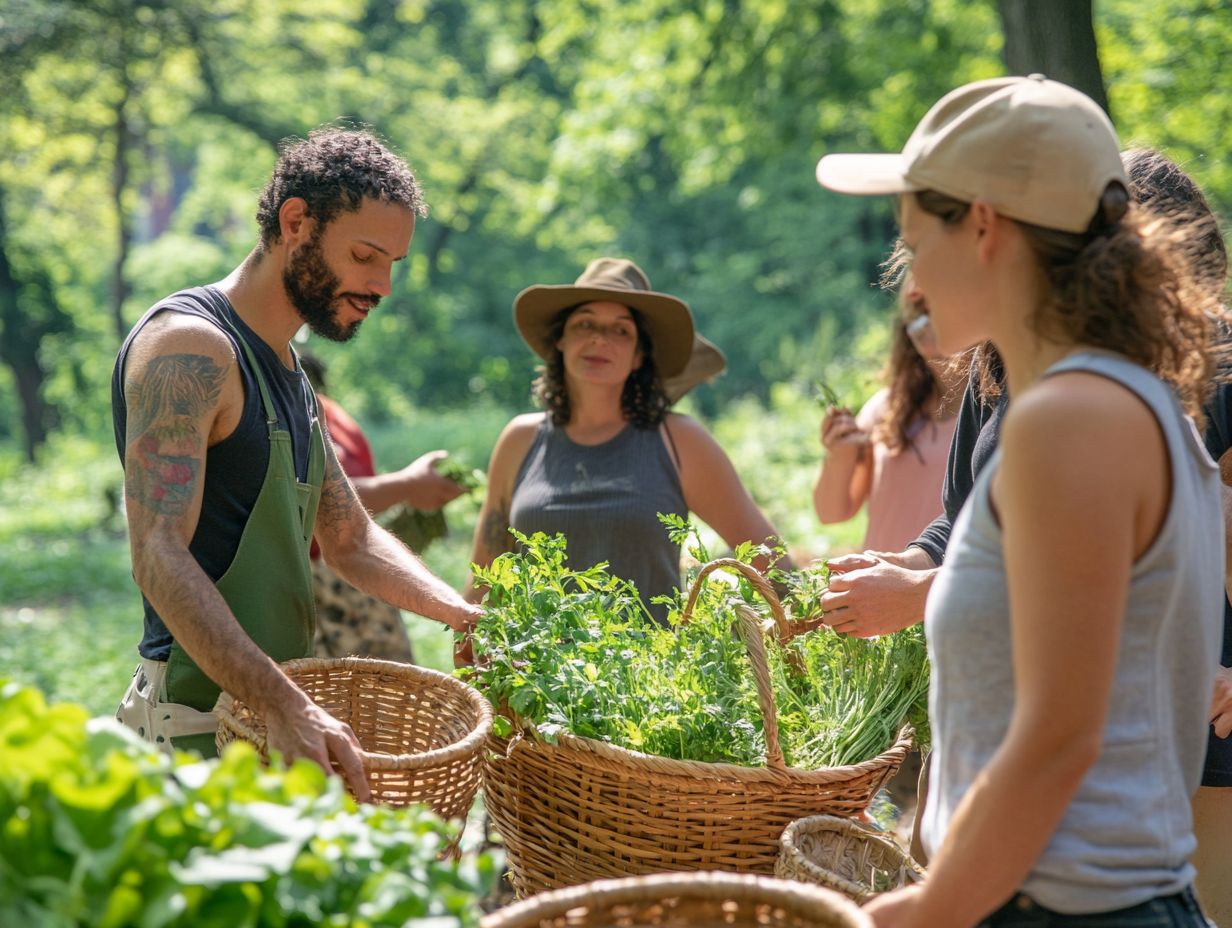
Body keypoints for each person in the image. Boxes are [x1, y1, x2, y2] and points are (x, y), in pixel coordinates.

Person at [817, 76, 1223, 926]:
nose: (913, 282)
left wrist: (930, 910)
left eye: (915, 240)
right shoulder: (1112, 401)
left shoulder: (1071, 420)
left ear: (984, 225)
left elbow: (1056, 741)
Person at [111, 128, 481, 797]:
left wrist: (461, 615)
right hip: (193, 733)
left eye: (393, 263)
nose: (382, 285)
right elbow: (157, 553)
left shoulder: (292, 375)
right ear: (296, 223)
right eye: (366, 255)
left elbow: (351, 538)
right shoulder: (190, 348)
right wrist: (288, 703)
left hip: (269, 731)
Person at [465, 257, 785, 623]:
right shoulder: (520, 439)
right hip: (531, 673)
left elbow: (770, 560)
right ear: (560, 340)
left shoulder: (679, 441)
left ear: (638, 357)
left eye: (621, 331)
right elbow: (484, 577)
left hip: (648, 675)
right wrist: (470, 657)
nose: (600, 338)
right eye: (585, 324)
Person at [299, 350, 467, 662]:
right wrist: (407, 485)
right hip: (310, 590)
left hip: (360, 581)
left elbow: (342, 497)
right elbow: (313, 499)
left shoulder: (332, 417)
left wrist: (409, 489)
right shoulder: (276, 419)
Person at [813, 278, 965, 552]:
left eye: (936, 305)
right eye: (918, 308)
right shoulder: (886, 407)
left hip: (948, 589)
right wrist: (839, 457)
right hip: (879, 589)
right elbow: (830, 513)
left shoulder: (997, 412)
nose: (926, 317)